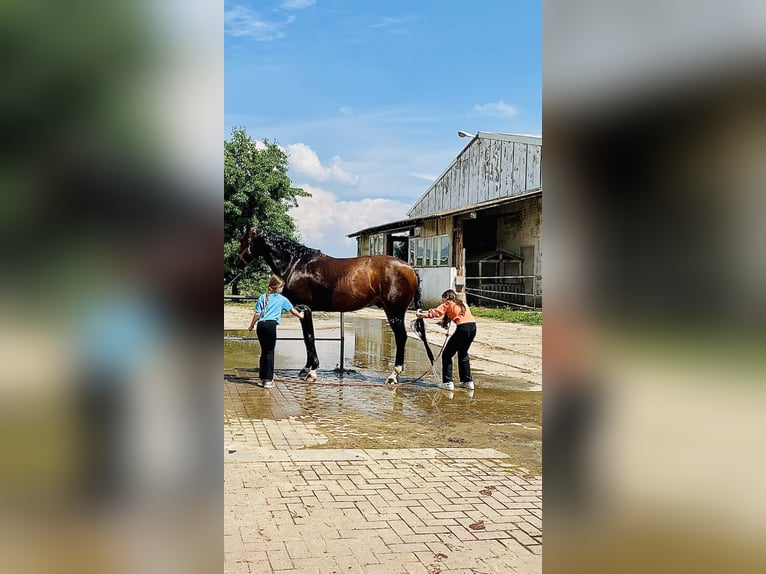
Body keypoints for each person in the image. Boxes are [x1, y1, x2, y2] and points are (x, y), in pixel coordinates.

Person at [248, 275, 304, 388]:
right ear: (278, 288)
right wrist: (301, 316)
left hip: (261, 326)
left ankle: (262, 379)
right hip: (270, 326)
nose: (282, 289)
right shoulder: (282, 299)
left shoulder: (262, 297)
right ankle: (268, 380)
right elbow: (292, 310)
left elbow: (257, 314)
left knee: (264, 352)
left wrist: (251, 325)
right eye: (282, 287)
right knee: (269, 352)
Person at [416, 289, 477, 390]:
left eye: (443, 299)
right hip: (473, 328)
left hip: (462, 329)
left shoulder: (448, 304)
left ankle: (448, 382)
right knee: (463, 353)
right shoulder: (463, 304)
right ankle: (467, 381)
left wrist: (420, 315)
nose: (442, 302)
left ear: (446, 298)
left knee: (447, 355)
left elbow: (435, 313)